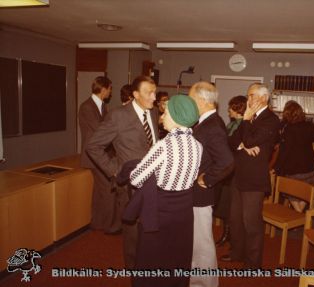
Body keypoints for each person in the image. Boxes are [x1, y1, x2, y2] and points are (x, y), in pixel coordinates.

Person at [120, 95, 202, 287]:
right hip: (184, 214)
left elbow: (136, 178)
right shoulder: (198, 146)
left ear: (176, 116)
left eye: (165, 112)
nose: (162, 116)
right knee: (177, 261)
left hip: (161, 214)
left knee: (152, 263)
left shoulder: (163, 146)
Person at [86, 75, 159, 271]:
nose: (154, 97)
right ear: (135, 95)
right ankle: (134, 271)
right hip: (129, 185)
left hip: (152, 183)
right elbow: (93, 146)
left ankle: (148, 265)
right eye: (149, 93)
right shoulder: (118, 116)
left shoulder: (153, 113)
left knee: (149, 227)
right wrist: (115, 171)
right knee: (133, 233)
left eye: (155, 92)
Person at [222, 83, 280, 268]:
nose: (249, 100)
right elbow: (231, 141)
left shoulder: (271, 119)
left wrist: (246, 126)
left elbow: (249, 139)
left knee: (251, 222)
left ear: (263, 98)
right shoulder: (249, 117)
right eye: (248, 96)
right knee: (235, 219)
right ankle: (237, 253)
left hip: (254, 179)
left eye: (252, 95)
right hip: (238, 175)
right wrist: (243, 146)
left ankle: (253, 263)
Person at [189, 82, 234, 287]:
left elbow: (226, 162)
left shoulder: (212, 125)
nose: (189, 102)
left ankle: (206, 284)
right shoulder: (206, 121)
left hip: (201, 194)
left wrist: (206, 179)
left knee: (202, 245)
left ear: (202, 101)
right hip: (197, 194)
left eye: (191, 98)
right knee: (196, 243)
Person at [79, 76, 117, 233]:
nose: (111, 91)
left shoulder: (102, 106)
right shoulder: (87, 107)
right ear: (103, 89)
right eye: (110, 88)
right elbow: (100, 132)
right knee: (108, 188)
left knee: (99, 191)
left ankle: (97, 222)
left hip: (99, 156)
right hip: (92, 157)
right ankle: (110, 226)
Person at [273, 100, 314, 212]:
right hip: (309, 168)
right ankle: (299, 213)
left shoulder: (286, 129)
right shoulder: (308, 126)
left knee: (290, 194)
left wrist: (277, 168)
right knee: (307, 194)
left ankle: (298, 214)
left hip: (292, 169)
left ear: (286, 114)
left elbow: (284, 152)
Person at [214, 95, 247, 246]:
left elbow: (231, 144)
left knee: (229, 204)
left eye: (231, 107)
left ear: (238, 109)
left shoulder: (241, 125)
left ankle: (230, 235)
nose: (228, 110)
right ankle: (227, 233)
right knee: (225, 203)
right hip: (228, 168)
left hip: (235, 169)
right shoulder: (232, 124)